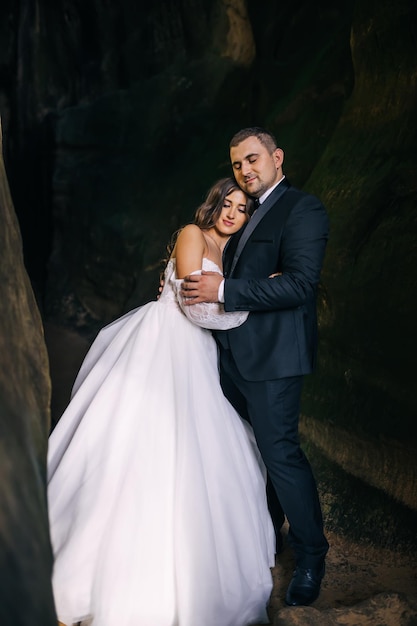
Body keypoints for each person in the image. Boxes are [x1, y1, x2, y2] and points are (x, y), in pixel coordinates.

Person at [47, 177, 276, 626]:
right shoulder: (192, 235)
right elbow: (195, 305)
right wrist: (253, 296)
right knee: (140, 432)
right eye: (226, 203)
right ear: (213, 205)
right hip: (165, 340)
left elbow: (213, 305)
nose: (232, 212)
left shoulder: (228, 252)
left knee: (200, 444)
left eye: (242, 208)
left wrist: (239, 290)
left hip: (195, 351)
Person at [181, 127, 330, 607]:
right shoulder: (240, 211)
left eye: (252, 159)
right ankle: (268, 534)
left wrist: (223, 290)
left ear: (277, 156)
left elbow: (299, 285)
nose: (245, 170)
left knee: (280, 455)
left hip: (274, 359)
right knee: (245, 451)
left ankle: (312, 558)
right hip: (228, 356)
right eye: (237, 164)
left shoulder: (302, 209)